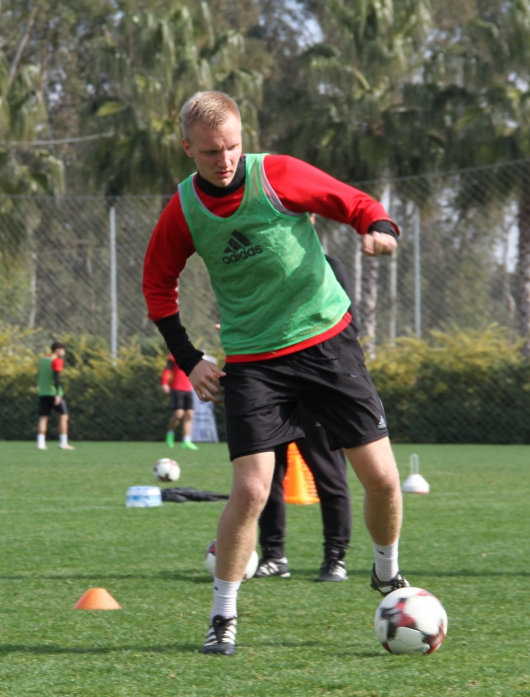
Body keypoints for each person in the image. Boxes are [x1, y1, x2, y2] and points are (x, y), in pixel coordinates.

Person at [143, 91, 407, 657]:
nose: (225, 160)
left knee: (384, 480)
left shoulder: (277, 175)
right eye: (210, 151)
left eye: (233, 146)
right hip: (254, 362)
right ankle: (222, 616)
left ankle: (386, 571)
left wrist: (380, 227)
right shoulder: (183, 210)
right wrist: (190, 358)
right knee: (251, 490)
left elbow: (353, 201)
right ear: (187, 148)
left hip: (327, 343)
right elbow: (156, 285)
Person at [253, 252, 357, 583]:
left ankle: (335, 558)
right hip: (271, 387)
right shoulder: (263, 266)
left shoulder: (328, 265)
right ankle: (274, 556)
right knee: (266, 476)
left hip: (315, 386)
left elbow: (349, 322)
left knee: (329, 475)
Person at [37, 341, 73, 450]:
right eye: (63, 350)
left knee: (43, 417)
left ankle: (41, 444)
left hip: (43, 392)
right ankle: (63, 443)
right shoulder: (57, 360)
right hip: (54, 393)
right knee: (64, 416)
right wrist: (58, 394)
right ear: (57, 350)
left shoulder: (43, 360)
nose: (64, 353)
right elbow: (56, 377)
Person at [161, 353, 198, 449]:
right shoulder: (173, 355)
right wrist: (164, 383)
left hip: (188, 389)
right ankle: (170, 435)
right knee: (178, 414)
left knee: (189, 414)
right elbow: (167, 369)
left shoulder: (191, 355)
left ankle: (187, 441)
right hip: (177, 388)